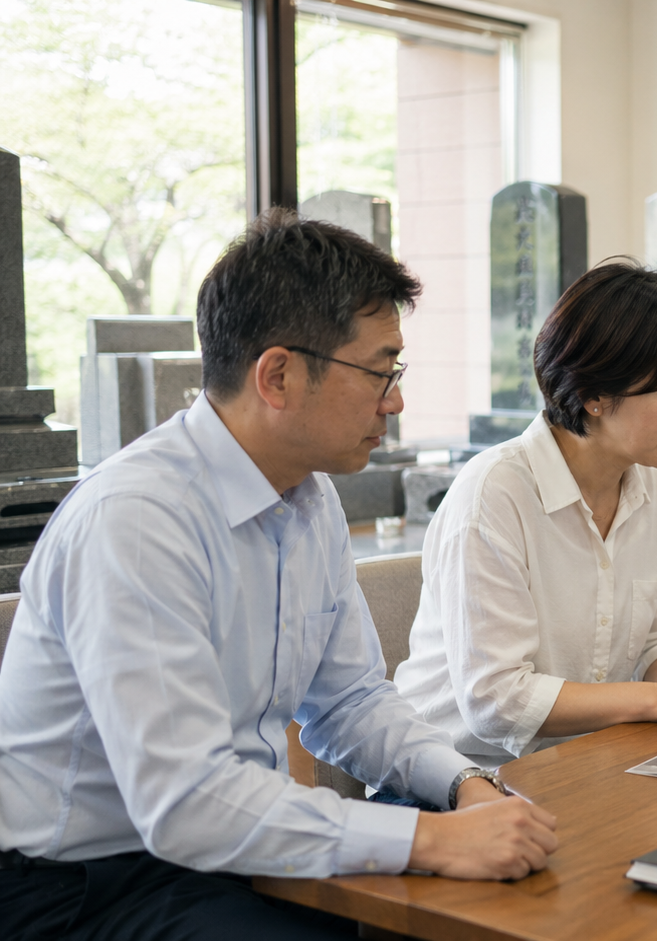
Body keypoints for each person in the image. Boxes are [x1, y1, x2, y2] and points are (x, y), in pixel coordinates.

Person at [0, 210, 559, 941]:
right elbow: (185, 804)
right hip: (85, 884)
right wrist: (432, 841)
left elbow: (352, 702)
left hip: (227, 847)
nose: (394, 401)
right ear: (279, 374)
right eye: (380, 371)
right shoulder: (139, 518)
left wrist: (465, 788)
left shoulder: (307, 494)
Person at [393, 262, 657, 768]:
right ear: (593, 394)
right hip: (457, 778)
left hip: (586, 763)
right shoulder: (494, 495)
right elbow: (496, 703)